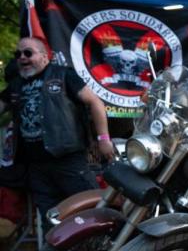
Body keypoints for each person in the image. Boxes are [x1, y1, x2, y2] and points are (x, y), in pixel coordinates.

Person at [0, 37, 115, 221]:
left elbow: (95, 102)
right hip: (35, 166)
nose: (22, 57)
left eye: (28, 53)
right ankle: (61, 250)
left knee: (91, 210)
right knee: (51, 218)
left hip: (68, 160)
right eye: (18, 54)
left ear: (45, 56)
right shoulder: (16, 84)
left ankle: (103, 248)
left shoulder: (63, 75)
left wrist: (104, 139)